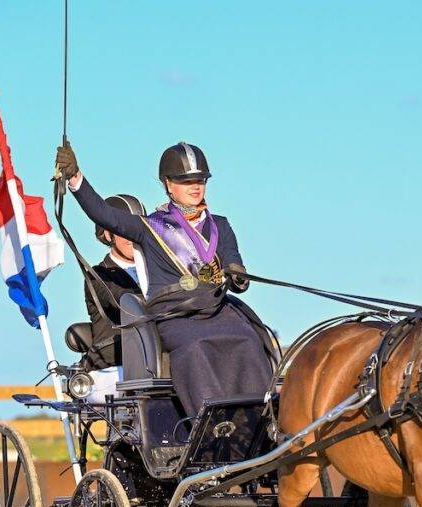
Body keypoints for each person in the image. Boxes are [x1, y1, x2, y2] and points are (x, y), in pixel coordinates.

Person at [55, 141, 273, 416]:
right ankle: (210, 420)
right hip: (174, 314)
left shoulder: (220, 225)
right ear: (168, 184)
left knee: (249, 340)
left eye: (200, 180)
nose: (195, 187)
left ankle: (259, 417)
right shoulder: (150, 227)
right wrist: (75, 178)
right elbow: (103, 213)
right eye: (186, 181)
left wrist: (237, 272)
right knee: (194, 347)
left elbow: (231, 256)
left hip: (217, 307)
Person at [80, 194, 148, 403]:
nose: (132, 236)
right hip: (114, 363)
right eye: (123, 230)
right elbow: (126, 301)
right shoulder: (99, 275)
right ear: (108, 234)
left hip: (154, 360)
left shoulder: (158, 271)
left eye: (136, 228)